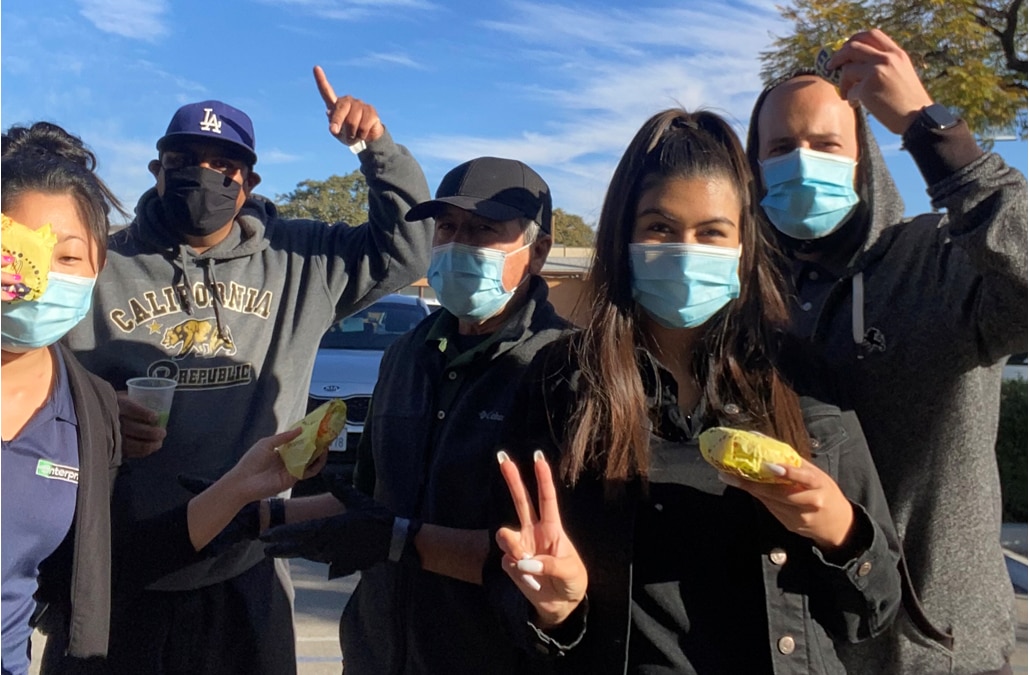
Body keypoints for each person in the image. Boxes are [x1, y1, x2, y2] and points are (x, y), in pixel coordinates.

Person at [488, 109, 903, 674]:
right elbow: (509, 586)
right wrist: (557, 611)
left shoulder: (800, 380)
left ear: (742, 244)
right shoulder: (561, 382)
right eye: (659, 227)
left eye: (711, 232)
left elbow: (874, 612)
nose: (686, 249)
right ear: (624, 236)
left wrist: (837, 529)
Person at [64, 66, 433, 674]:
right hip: (123, 569)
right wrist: (98, 408)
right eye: (184, 159)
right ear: (157, 170)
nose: (203, 176)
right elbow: (36, 371)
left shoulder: (301, 258)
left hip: (247, 565)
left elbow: (407, 250)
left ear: (249, 181)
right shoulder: (102, 261)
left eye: (224, 167)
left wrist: (377, 151)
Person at [744, 29, 1028, 674]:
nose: (802, 161)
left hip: (931, 651)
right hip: (796, 646)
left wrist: (935, 135)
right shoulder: (751, 295)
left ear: (864, 159)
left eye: (825, 144)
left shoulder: (943, 261)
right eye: (781, 147)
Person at [0, 121, 325, 675]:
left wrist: (242, 490)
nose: (35, 281)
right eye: (19, 251)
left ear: (98, 267)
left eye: (69, 258)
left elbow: (107, 563)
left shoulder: (77, 409)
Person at [259, 157, 573, 672]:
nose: (456, 244)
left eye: (483, 230)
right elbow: (364, 504)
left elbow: (553, 561)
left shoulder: (565, 367)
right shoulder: (405, 355)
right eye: (446, 227)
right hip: (377, 651)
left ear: (537, 251)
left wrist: (398, 541)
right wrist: (256, 515)